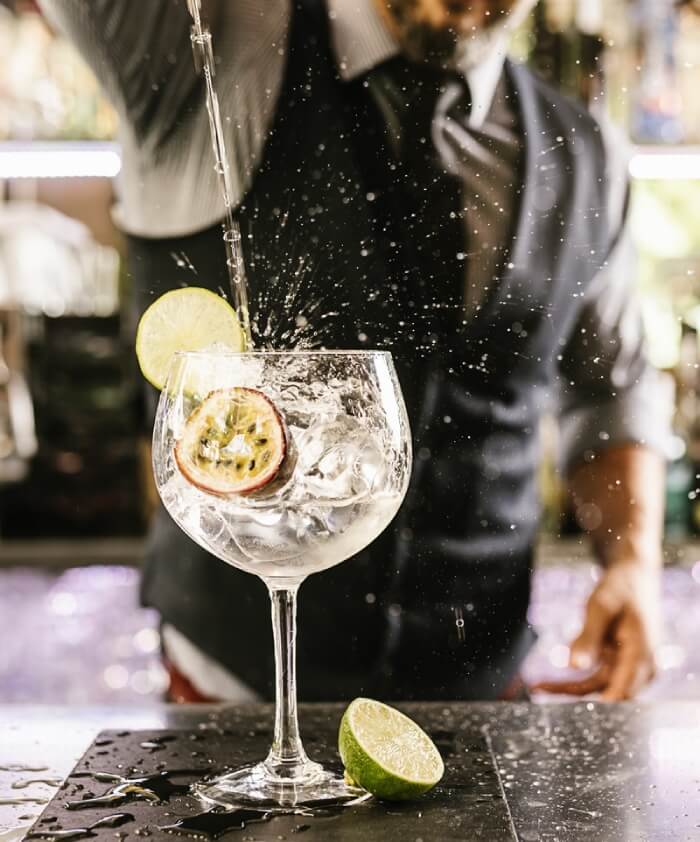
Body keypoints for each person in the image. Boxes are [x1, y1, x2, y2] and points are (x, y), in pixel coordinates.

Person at [40, 0, 670, 702]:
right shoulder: (198, 53)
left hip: (480, 695)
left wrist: (632, 564)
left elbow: (609, 390)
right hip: (236, 704)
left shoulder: (586, 156)